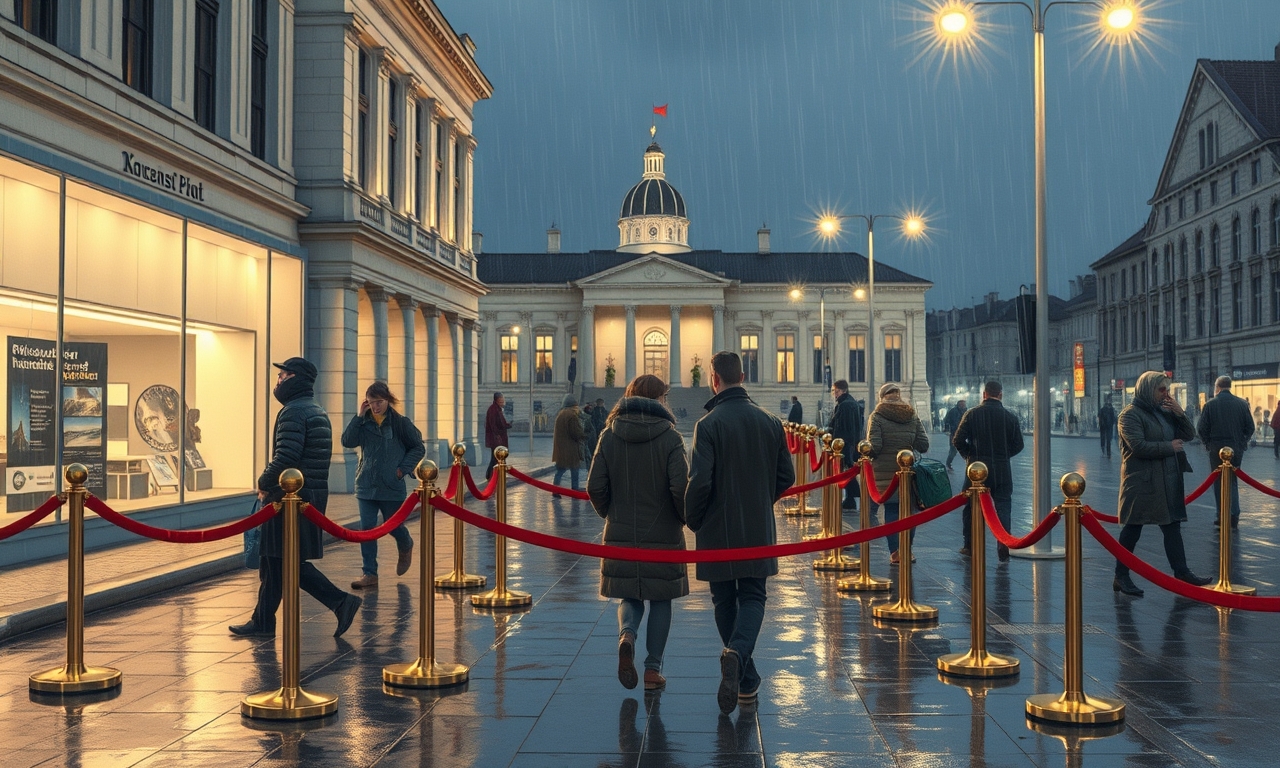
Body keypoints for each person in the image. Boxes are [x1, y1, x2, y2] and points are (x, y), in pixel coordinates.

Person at [685, 352, 793, 714]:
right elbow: (786, 477)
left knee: (723, 600)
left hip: (717, 527)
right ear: (743, 376)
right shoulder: (770, 421)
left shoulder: (708, 424)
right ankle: (740, 667)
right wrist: (762, 500)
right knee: (753, 596)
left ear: (713, 379)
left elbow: (700, 482)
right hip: (757, 524)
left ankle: (741, 669)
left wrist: (694, 519)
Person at [230, 357, 361, 637]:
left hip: (289, 499)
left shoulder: (293, 412)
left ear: (296, 379)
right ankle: (263, 620)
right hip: (308, 497)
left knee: (285, 561)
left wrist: (264, 481)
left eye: (284, 375)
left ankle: (341, 601)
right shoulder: (315, 409)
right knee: (274, 561)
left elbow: (286, 457)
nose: (279, 381)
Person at [588, 374, 689, 692]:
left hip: (620, 530)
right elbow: (680, 488)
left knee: (629, 594)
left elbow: (594, 486)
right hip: (663, 533)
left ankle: (627, 635)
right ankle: (652, 670)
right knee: (662, 600)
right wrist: (683, 518)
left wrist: (611, 515)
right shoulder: (671, 437)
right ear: (661, 400)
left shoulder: (608, 434)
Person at [1112, 371, 1212, 597]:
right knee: (1132, 528)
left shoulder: (1164, 413)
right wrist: (1169, 447)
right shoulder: (1129, 415)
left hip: (1167, 479)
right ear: (1148, 389)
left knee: (1172, 527)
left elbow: (1188, 434)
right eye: (1161, 389)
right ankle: (1121, 575)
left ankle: (1182, 572)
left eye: (1167, 389)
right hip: (1142, 482)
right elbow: (1138, 446)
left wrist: (1180, 413)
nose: (1166, 394)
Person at [340, 381, 424, 590]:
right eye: (371, 402)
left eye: (379, 402)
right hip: (366, 484)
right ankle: (370, 573)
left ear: (388, 400)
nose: (375, 407)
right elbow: (347, 441)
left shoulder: (400, 423)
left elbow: (417, 447)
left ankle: (405, 543)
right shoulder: (364, 422)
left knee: (392, 524)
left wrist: (402, 469)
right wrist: (358, 417)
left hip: (391, 486)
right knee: (367, 529)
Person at [952, 382, 1023, 561]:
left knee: (970, 507)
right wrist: (1003, 455)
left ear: (984, 394)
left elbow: (958, 439)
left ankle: (969, 544)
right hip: (1002, 469)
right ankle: (1003, 543)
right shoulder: (1010, 416)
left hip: (976, 470)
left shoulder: (972, 414)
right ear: (1000, 395)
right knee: (1003, 506)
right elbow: (1018, 445)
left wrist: (970, 455)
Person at [867, 382, 929, 565]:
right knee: (909, 512)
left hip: (885, 474)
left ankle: (895, 553)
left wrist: (864, 452)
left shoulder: (877, 416)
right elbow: (923, 445)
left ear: (882, 396)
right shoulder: (911, 414)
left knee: (892, 511)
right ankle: (907, 551)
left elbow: (875, 447)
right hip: (908, 473)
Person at [1196, 375, 1255, 528]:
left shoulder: (1210, 405)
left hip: (1217, 447)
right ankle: (1234, 513)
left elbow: (1201, 428)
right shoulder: (1242, 404)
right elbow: (1250, 427)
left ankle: (1221, 514)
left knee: (1218, 481)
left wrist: (1208, 443)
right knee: (1233, 480)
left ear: (1218, 387)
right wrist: (1242, 442)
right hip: (1236, 447)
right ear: (1230, 386)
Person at [827, 379, 864, 510]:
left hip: (844, 444)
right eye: (834, 391)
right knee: (847, 471)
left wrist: (837, 443)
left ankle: (852, 496)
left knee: (846, 471)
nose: (835, 394)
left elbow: (845, 428)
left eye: (837, 391)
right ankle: (850, 498)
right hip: (848, 444)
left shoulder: (845, 405)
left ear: (843, 391)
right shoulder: (848, 403)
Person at [551, 393, 585, 496]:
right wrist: (583, 435)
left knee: (560, 470)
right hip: (570, 447)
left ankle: (555, 489)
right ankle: (574, 488)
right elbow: (575, 432)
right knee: (575, 468)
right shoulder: (572, 415)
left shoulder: (561, 414)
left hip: (561, 448)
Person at [484, 392, 512, 480]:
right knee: (495, 458)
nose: (503, 402)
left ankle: (492, 475)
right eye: (501, 400)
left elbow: (501, 423)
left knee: (495, 457)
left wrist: (508, 425)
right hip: (496, 439)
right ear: (497, 400)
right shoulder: (493, 410)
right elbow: (493, 425)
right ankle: (490, 475)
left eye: (503, 400)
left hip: (497, 438)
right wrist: (497, 436)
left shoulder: (497, 409)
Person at [942, 399, 967, 471]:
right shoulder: (953, 411)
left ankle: (969, 463)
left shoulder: (967, 411)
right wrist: (947, 429)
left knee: (967, 449)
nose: (963, 405)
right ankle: (948, 463)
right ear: (958, 404)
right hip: (954, 433)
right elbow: (946, 420)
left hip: (965, 433)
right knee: (953, 449)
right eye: (961, 404)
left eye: (964, 404)